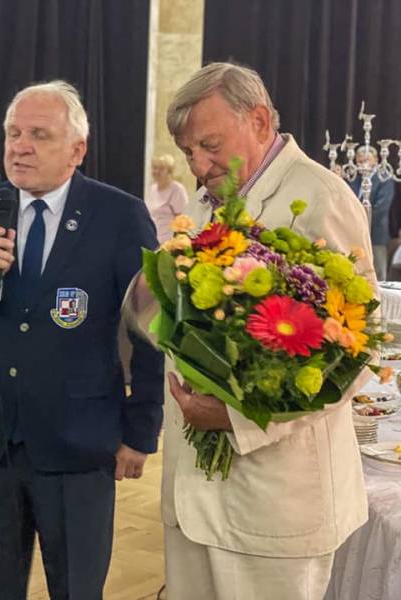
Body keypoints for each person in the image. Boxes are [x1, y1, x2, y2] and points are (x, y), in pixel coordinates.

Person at [124, 62, 374, 600]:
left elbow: (353, 355)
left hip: (274, 506)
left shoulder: (320, 196)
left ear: (259, 120)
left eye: (209, 145)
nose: (198, 165)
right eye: (188, 152)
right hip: (194, 502)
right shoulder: (204, 202)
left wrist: (237, 418)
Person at [0, 81, 164, 599]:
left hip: (79, 446)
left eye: (39, 135)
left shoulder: (119, 216)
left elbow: (148, 331)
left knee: (76, 588)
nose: (20, 147)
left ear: (77, 150)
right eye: (13, 133)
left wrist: (141, 431)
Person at [348, 146, 395, 280]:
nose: (363, 165)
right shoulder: (354, 178)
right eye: (360, 161)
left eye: (367, 161)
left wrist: (362, 222)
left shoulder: (384, 178)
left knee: (378, 272)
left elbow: (381, 208)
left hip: (376, 233)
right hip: (355, 232)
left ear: (376, 160)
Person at [144, 153, 188, 243]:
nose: (157, 171)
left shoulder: (177, 189)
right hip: (152, 239)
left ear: (169, 171)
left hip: (169, 242)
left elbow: (183, 219)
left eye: (161, 168)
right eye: (155, 168)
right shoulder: (152, 189)